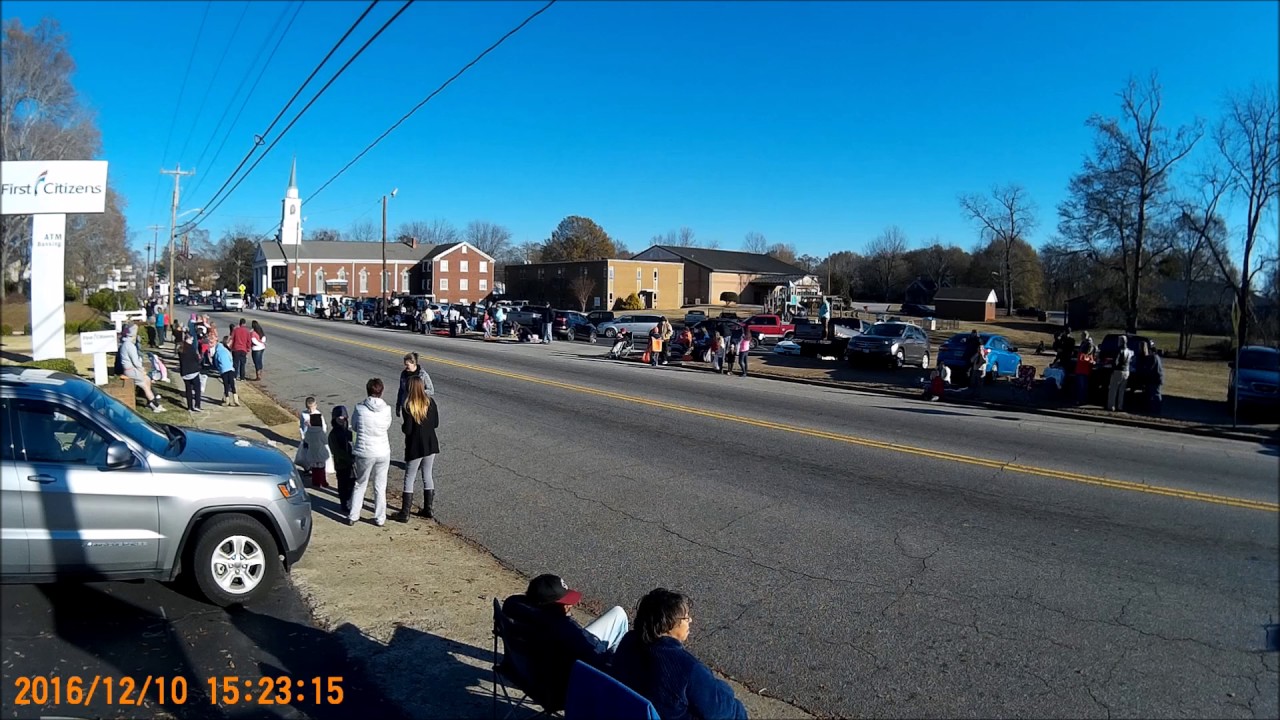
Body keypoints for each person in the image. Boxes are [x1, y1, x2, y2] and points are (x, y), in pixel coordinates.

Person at [611, 588, 747, 720]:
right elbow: (720, 710)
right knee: (736, 709)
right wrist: (726, 690)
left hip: (630, 711)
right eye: (686, 618)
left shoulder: (628, 641)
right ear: (669, 626)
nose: (690, 620)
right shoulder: (688, 668)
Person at [501, 574, 629, 709]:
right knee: (619, 616)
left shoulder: (512, 605)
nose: (570, 605)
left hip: (523, 673)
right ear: (549, 605)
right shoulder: (564, 630)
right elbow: (600, 660)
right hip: (560, 692)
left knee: (618, 613)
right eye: (564, 603)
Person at [348, 378, 393, 526]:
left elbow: (354, 426)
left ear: (368, 391)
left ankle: (354, 515)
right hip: (382, 450)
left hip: (364, 451)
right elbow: (387, 426)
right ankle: (380, 517)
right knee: (380, 485)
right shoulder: (386, 409)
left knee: (360, 483)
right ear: (381, 391)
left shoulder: (359, 408)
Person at [397, 376, 440, 522]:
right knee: (427, 475)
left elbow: (408, 430)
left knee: (410, 477)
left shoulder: (408, 405)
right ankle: (428, 509)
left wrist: (403, 426)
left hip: (415, 446)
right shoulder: (430, 402)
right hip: (430, 443)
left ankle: (405, 512)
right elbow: (435, 423)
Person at [119, 325, 165, 413]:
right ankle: (155, 405)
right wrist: (142, 370)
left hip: (130, 369)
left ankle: (150, 401)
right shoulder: (129, 346)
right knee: (144, 385)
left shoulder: (126, 344)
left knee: (147, 379)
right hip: (131, 370)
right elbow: (136, 361)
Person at [328, 406, 356, 514]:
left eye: (343, 417)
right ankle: (344, 504)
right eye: (338, 418)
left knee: (352, 484)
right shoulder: (333, 434)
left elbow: (355, 442)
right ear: (334, 419)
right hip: (341, 464)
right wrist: (348, 459)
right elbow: (336, 450)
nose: (341, 420)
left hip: (352, 465)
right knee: (342, 485)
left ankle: (351, 502)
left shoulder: (349, 432)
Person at [395, 353, 437, 418]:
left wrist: (418, 392)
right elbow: (401, 390)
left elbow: (431, 390)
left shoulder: (423, 375)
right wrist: (398, 405)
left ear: (413, 363)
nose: (406, 367)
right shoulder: (404, 374)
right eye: (405, 365)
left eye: (407, 365)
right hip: (406, 406)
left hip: (417, 407)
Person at [299, 413, 332, 488]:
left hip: (312, 452)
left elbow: (306, 440)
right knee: (321, 468)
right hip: (320, 452)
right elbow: (325, 441)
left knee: (314, 469)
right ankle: (323, 481)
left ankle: (315, 482)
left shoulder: (309, 432)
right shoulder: (320, 432)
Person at [1106, 338, 1135, 412]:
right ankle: (1120, 406)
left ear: (1121, 342)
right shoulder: (1130, 351)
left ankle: (1111, 406)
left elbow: (1116, 362)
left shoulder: (1119, 350)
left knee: (1113, 389)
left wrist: (1112, 368)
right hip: (1126, 371)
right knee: (1122, 390)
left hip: (1118, 370)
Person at [178, 332, 204, 413]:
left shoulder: (181, 348)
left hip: (185, 372)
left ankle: (189, 407)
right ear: (188, 339)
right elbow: (196, 359)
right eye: (191, 340)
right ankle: (197, 405)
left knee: (188, 390)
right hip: (193, 371)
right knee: (197, 389)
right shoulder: (191, 348)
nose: (192, 342)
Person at [213, 336, 239, 407]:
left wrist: (219, 369)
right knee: (232, 384)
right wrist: (231, 366)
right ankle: (236, 399)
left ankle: (227, 400)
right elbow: (231, 359)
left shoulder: (217, 352)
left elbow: (216, 363)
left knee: (226, 385)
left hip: (223, 370)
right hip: (230, 369)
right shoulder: (226, 350)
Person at [1138, 341, 1163, 414]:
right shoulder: (1157, 357)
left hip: (1155, 379)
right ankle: (1155, 408)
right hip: (1157, 379)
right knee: (1155, 394)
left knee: (1156, 394)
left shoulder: (1153, 358)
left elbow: (1150, 368)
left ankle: (1156, 409)